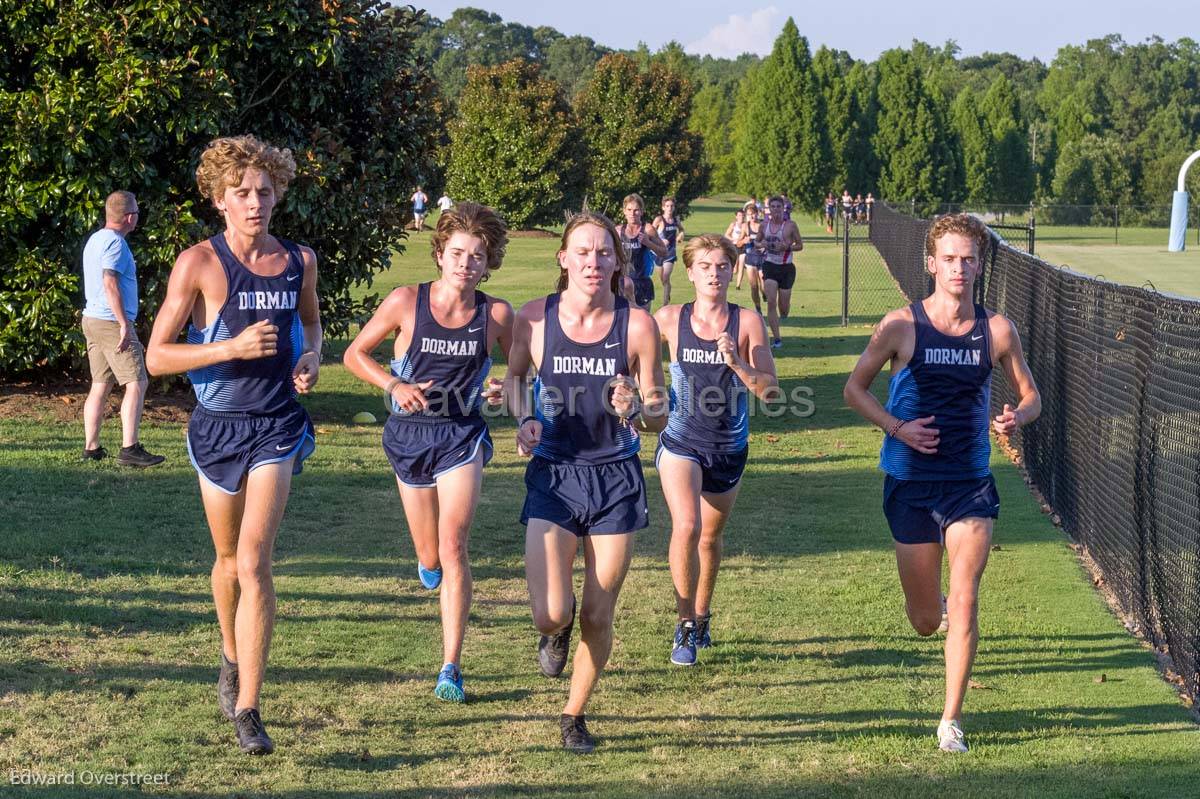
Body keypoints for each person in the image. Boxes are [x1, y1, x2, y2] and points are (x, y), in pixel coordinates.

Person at [146, 135, 322, 755]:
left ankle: (249, 704)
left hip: (276, 423)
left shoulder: (300, 258)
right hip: (217, 427)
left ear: (278, 195)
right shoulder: (198, 263)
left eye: (265, 192)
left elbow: (310, 323)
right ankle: (229, 653)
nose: (255, 203)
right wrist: (228, 348)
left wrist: (312, 360)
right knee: (225, 563)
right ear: (220, 200)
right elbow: (156, 354)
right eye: (242, 193)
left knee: (254, 563)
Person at [842, 213, 1041, 754]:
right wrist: (897, 427)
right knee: (926, 619)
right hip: (910, 482)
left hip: (969, 482)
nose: (959, 268)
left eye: (968, 259)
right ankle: (938, 611)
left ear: (980, 264)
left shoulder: (997, 329)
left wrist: (1015, 418)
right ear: (931, 264)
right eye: (949, 259)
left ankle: (951, 719)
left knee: (968, 597)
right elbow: (854, 389)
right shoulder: (901, 326)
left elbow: (1032, 396)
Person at [504, 211, 667, 753]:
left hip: (616, 476)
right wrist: (524, 419)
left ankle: (574, 714)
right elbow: (514, 383)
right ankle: (553, 633)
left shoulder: (637, 324)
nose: (594, 262)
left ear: (617, 262)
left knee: (598, 611)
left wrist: (638, 407)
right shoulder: (533, 319)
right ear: (564, 259)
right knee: (553, 610)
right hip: (554, 472)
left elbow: (660, 411)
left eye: (605, 253)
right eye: (584, 252)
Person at [342, 203, 514, 704]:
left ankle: (451, 666)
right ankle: (429, 567)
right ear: (440, 255)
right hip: (409, 437)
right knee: (431, 555)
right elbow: (355, 355)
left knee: (456, 545)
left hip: (461, 436)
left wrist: (505, 390)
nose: (466, 263)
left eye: (477, 256)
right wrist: (394, 384)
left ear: (489, 262)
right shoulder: (405, 301)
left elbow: (524, 371)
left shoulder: (495, 314)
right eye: (458, 253)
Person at [653, 234, 777, 666]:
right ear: (690, 272)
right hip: (681, 440)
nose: (714, 274)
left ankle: (702, 616)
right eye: (705, 266)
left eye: (722, 266)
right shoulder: (669, 319)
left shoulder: (747, 323)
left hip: (729, 446)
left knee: (709, 537)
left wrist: (738, 364)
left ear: (733, 271)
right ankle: (684, 623)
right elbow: (633, 361)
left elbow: (771, 393)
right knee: (686, 526)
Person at [80, 191, 166, 467]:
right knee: (137, 382)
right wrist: (124, 325)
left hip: (91, 319)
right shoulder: (116, 244)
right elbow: (110, 283)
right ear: (130, 217)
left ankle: (91, 447)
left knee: (100, 384)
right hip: (109, 321)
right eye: (137, 212)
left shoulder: (95, 239)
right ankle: (130, 448)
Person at [754, 196, 803, 349]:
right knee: (771, 302)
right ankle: (777, 339)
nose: (775, 210)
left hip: (786, 269)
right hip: (770, 266)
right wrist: (760, 244)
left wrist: (786, 247)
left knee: (784, 308)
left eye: (778, 207)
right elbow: (756, 242)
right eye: (772, 207)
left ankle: (785, 309)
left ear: (783, 209)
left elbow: (800, 245)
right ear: (768, 209)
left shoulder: (790, 226)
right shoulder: (763, 225)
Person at [616, 193, 668, 311]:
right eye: (629, 210)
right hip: (623, 281)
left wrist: (648, 243)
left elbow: (664, 252)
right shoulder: (618, 231)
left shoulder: (647, 229)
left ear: (642, 211)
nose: (632, 213)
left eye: (636, 210)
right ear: (624, 211)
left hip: (642, 282)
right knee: (623, 320)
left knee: (643, 321)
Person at [652, 196, 684, 305]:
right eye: (667, 206)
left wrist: (680, 235)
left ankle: (665, 305)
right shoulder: (659, 219)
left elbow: (681, 230)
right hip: (658, 253)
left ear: (674, 207)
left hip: (670, 253)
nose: (669, 208)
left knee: (665, 277)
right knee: (663, 280)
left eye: (671, 206)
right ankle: (668, 291)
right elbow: (650, 233)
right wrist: (660, 240)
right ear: (663, 207)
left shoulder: (676, 220)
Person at [740, 201, 764, 313]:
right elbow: (738, 243)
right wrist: (744, 240)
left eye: (754, 214)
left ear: (757, 213)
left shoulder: (763, 225)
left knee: (763, 283)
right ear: (747, 216)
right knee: (754, 287)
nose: (752, 216)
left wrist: (764, 245)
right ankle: (758, 308)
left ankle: (764, 294)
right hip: (750, 259)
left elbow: (770, 240)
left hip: (763, 258)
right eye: (749, 214)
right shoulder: (745, 226)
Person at [724, 209, 749, 290]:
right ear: (736, 216)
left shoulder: (746, 225)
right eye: (739, 215)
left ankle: (738, 285)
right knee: (735, 270)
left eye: (742, 215)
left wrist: (742, 240)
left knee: (741, 265)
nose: (741, 217)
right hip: (734, 246)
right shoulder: (733, 224)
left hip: (743, 247)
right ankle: (730, 276)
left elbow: (746, 235)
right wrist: (733, 239)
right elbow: (726, 235)